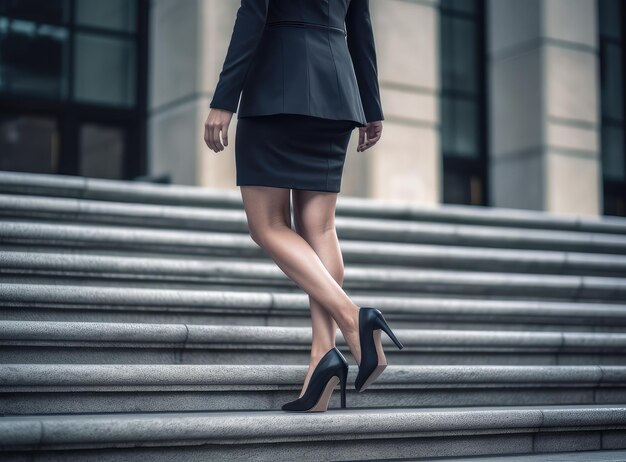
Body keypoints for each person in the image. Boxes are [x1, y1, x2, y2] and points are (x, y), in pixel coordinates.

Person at [204, 0, 403, 412]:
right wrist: (371, 104)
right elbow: (360, 25)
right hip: (337, 88)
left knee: (267, 225)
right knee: (320, 227)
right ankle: (321, 361)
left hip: (278, 84)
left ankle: (354, 318)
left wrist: (225, 98)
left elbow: (253, 14)